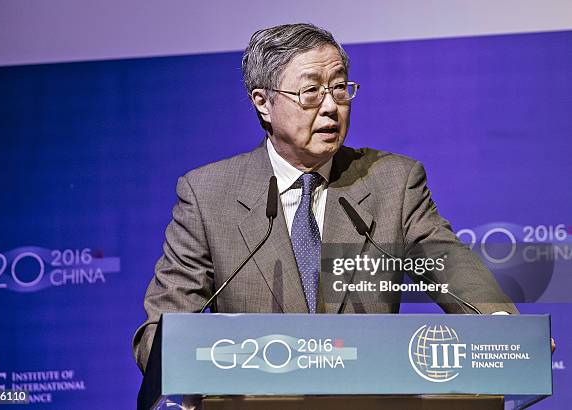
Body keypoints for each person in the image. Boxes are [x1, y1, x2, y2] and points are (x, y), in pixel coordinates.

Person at [132, 23, 519, 373]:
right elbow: (161, 333)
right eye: (311, 91)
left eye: (339, 87)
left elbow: (449, 265)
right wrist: (188, 368)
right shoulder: (208, 194)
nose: (332, 105)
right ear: (263, 102)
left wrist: (505, 332)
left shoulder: (392, 182)